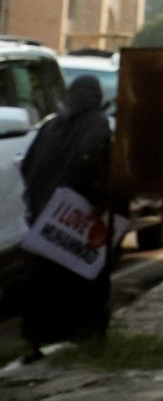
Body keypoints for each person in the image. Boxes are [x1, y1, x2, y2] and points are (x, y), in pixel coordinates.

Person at [18, 75, 113, 359]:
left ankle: (34, 343)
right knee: (86, 275)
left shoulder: (51, 124)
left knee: (41, 283)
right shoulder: (97, 122)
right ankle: (90, 339)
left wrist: (40, 198)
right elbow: (89, 157)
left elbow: (26, 165)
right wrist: (94, 200)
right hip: (75, 215)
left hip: (45, 215)